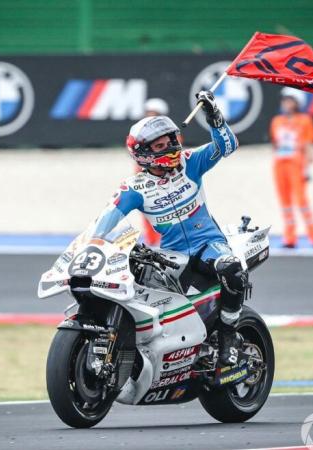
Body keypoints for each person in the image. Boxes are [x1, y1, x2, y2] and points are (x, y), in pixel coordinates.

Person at [93, 91, 247, 366]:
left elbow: (228, 146)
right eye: (160, 145)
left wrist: (214, 117)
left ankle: (228, 335)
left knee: (231, 268)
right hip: (171, 254)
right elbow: (107, 218)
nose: (171, 147)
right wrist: (93, 245)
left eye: (171, 140)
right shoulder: (135, 187)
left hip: (209, 244)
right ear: (143, 153)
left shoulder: (190, 162)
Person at [269, 88, 313, 249]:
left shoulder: (305, 120)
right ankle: (290, 238)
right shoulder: (277, 121)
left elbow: (308, 146)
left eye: (290, 100)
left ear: (297, 103)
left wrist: (307, 168)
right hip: (279, 163)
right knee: (284, 202)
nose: (286, 103)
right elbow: (275, 143)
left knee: (301, 201)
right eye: (284, 100)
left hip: (296, 163)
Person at [136, 98, 170, 247]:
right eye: (147, 113)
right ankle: (153, 242)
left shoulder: (170, 136)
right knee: (147, 212)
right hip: (145, 181)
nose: (149, 117)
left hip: (165, 182)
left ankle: (164, 243)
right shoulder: (140, 135)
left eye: (153, 114)